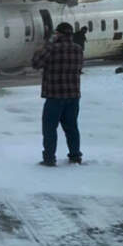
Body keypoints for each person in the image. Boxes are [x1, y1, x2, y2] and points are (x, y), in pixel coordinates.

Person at [32, 22, 84, 166]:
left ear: (59, 34)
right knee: (72, 128)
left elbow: (36, 63)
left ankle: (49, 158)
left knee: (49, 129)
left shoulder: (51, 49)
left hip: (55, 96)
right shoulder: (78, 49)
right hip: (73, 96)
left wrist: (41, 49)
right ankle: (75, 156)